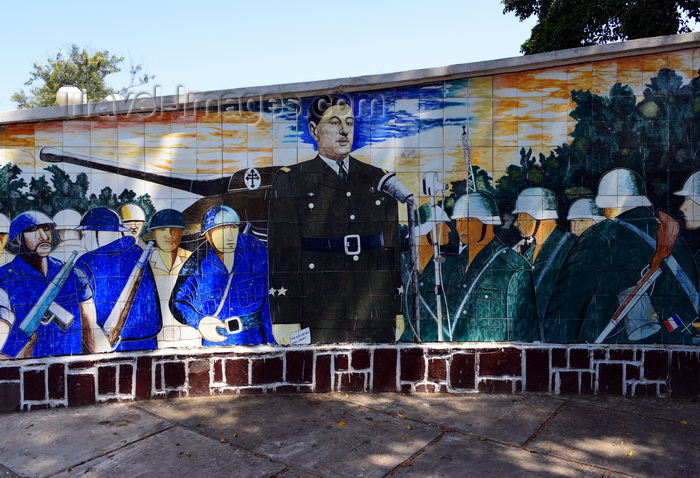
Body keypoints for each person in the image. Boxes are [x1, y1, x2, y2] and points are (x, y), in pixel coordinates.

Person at [268, 95, 401, 344]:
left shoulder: (378, 179)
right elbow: (283, 252)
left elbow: (392, 249)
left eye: (349, 123)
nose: (344, 130)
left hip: (372, 302)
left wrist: (397, 309)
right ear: (313, 130)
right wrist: (284, 317)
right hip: (317, 301)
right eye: (334, 122)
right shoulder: (291, 180)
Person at [546, 168, 699, 344]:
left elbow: (566, 306)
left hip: (610, 355)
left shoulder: (599, 237)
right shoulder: (673, 238)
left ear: (607, 205)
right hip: (674, 344)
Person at [0, 211, 104, 358]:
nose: (43, 236)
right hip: (26, 373)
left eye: (46, 229)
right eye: (32, 231)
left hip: (71, 368)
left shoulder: (74, 275)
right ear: (19, 238)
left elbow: (90, 331)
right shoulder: (4, 280)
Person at [170, 205, 275, 346]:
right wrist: (199, 320)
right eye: (223, 229)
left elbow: (270, 296)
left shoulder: (254, 249)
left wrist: (272, 340)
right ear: (208, 235)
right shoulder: (199, 260)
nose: (230, 235)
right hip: (216, 340)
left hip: (253, 338)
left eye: (233, 228)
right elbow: (178, 301)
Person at [441, 192, 538, 342]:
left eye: (468, 220)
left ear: (487, 223)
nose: (460, 227)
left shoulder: (514, 268)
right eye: (458, 221)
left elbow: (524, 334)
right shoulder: (457, 265)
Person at [74, 207, 162, 352]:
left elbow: (85, 321)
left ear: (97, 233)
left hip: (108, 345)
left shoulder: (85, 262)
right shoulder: (138, 253)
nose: (83, 242)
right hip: (148, 342)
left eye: (85, 234)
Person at [513, 188, 575, 332]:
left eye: (521, 215)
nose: (516, 223)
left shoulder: (572, 248)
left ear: (536, 216)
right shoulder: (528, 254)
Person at [400, 203, 455, 342]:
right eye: (442, 224)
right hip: (408, 342)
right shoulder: (401, 264)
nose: (448, 229)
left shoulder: (447, 264)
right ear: (427, 230)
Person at [147, 209, 200, 348]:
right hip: (158, 335)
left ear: (181, 232)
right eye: (162, 229)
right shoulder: (145, 263)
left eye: (174, 229)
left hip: (190, 334)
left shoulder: (194, 260)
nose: (169, 235)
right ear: (154, 233)